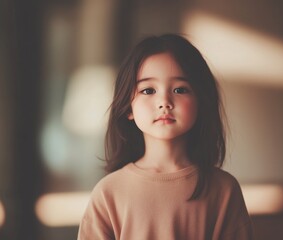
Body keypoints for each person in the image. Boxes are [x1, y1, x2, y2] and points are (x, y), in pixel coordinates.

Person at [78, 34, 253, 240]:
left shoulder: (224, 190)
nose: (164, 101)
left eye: (180, 89)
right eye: (148, 90)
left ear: (201, 102)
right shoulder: (108, 193)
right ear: (128, 107)